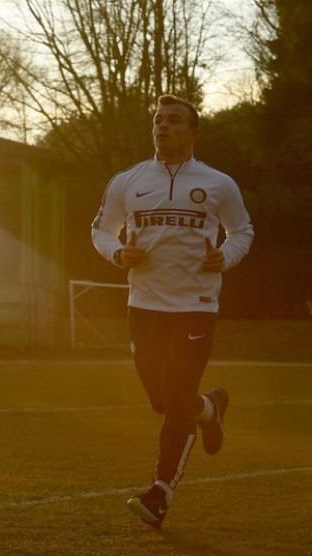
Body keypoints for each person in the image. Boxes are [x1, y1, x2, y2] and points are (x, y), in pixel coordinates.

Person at [91, 94, 254, 528]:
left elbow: (242, 230)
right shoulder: (127, 181)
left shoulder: (218, 183)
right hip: (143, 307)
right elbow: (101, 230)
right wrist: (116, 254)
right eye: (158, 120)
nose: (162, 127)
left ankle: (160, 493)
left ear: (193, 132)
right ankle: (210, 409)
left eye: (174, 121)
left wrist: (225, 255)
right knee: (164, 401)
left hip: (196, 307)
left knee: (177, 394)